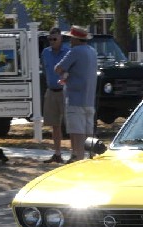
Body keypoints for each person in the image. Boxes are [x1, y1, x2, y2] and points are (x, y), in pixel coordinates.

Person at [55, 26, 98, 163]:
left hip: (75, 98)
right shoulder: (92, 52)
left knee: (77, 132)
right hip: (90, 98)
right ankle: (91, 158)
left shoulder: (75, 51)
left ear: (75, 39)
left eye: (71, 38)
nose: (70, 41)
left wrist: (65, 74)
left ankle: (79, 160)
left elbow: (58, 68)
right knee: (88, 132)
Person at [41, 27, 69, 164]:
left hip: (65, 91)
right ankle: (57, 154)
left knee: (70, 124)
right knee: (54, 125)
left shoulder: (68, 52)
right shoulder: (45, 53)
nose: (52, 41)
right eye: (50, 39)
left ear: (61, 39)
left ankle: (75, 154)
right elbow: (45, 71)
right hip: (51, 91)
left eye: (54, 39)